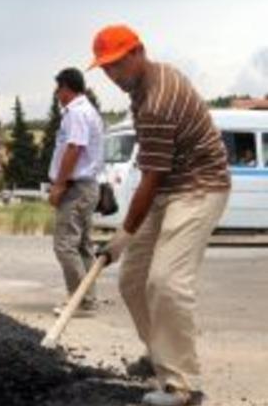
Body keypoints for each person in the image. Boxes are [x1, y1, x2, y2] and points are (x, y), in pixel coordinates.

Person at [91, 25, 230, 406]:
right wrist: (125, 241)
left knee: (167, 282)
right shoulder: (142, 88)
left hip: (199, 187)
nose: (112, 74)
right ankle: (160, 356)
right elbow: (155, 178)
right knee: (133, 280)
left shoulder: (157, 100)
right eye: (105, 68)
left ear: (138, 51)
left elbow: (150, 179)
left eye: (117, 64)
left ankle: (183, 386)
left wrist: (122, 237)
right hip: (169, 186)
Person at [47, 67, 104, 316]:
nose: (57, 94)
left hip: (75, 187)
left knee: (65, 245)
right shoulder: (88, 111)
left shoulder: (77, 113)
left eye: (58, 88)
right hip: (86, 186)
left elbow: (74, 149)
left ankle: (81, 302)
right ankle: (88, 298)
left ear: (66, 88)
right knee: (82, 246)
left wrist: (59, 184)